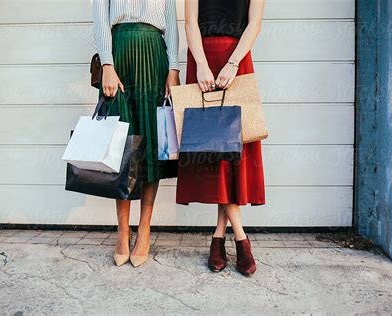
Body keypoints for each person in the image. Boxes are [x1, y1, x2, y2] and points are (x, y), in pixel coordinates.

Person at [177, 0, 266, 276]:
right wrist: (202, 65)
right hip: (202, 59)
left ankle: (219, 235)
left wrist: (232, 63)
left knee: (231, 153)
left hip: (236, 61)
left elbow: (254, 24)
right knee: (212, 148)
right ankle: (240, 238)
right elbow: (190, 23)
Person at [92, 0, 180, 268]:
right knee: (121, 147)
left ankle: (144, 229)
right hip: (118, 54)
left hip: (154, 54)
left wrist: (173, 68)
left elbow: (172, 24)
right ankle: (122, 231)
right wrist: (107, 63)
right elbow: (99, 16)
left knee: (152, 143)